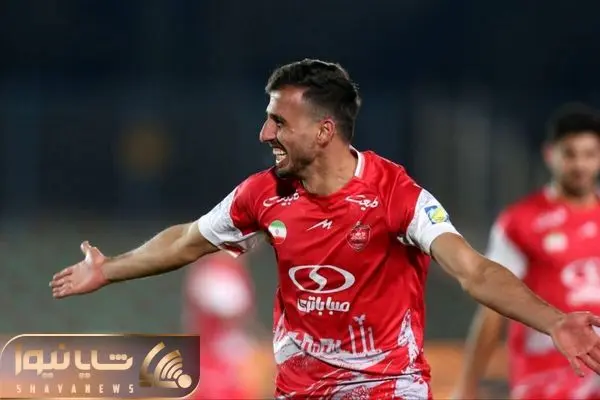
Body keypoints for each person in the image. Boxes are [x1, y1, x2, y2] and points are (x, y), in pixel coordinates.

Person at [50, 60, 600, 399]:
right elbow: (188, 239)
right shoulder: (263, 193)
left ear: (323, 131)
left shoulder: (397, 194)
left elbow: (474, 271)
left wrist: (553, 321)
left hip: (388, 387)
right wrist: (110, 268)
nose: (265, 133)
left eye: (279, 121)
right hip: (302, 390)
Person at [453, 103, 600, 400]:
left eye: (589, 154)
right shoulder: (520, 223)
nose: (580, 165)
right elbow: (493, 307)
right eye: (570, 154)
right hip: (544, 376)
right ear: (550, 154)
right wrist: (467, 387)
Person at [182, 253, 274, 399]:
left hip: (230, 352)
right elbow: (233, 313)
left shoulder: (229, 269)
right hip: (215, 355)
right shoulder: (214, 272)